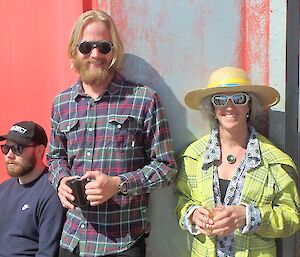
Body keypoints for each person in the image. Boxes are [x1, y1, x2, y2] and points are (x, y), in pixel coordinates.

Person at [47, 9, 177, 257]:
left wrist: (118, 185)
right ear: (74, 50)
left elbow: (166, 167)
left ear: (114, 50)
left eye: (103, 46)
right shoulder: (62, 103)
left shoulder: (143, 99)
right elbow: (54, 158)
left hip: (122, 242)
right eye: (86, 47)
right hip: (74, 238)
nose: (95, 54)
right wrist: (61, 181)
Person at [175, 66, 300, 257]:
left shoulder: (274, 160)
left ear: (249, 105)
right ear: (212, 107)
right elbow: (182, 200)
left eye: (239, 99)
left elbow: (291, 218)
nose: (230, 107)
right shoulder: (193, 156)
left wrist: (248, 216)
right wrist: (192, 214)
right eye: (220, 100)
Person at [0, 121, 65, 257]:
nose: (9, 155)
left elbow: (47, 252)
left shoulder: (52, 192)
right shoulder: (3, 189)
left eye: (18, 148)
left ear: (40, 150)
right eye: (6, 148)